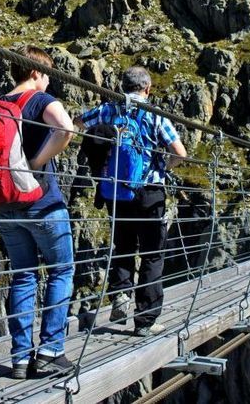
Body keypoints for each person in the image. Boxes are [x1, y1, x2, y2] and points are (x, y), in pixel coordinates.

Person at [74, 66, 186, 336]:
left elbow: (77, 123)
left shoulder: (108, 109)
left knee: (123, 244)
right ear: (147, 88)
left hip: (117, 192)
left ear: (122, 86)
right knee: (152, 254)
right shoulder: (156, 115)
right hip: (149, 191)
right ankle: (145, 321)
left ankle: (121, 296)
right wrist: (163, 168)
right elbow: (179, 152)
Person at [0, 46, 76, 379]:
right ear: (37, 73)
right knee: (61, 271)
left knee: (24, 275)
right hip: (42, 203)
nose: (49, 82)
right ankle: (52, 351)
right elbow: (66, 129)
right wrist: (37, 164)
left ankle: (21, 358)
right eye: (48, 75)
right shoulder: (39, 100)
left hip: (5, 207)